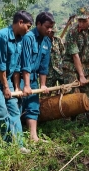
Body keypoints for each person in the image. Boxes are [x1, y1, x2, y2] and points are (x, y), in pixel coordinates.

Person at [0, 11, 33, 153]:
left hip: (7, 78)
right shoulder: (0, 36)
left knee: (14, 111)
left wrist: (15, 88)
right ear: (20, 22)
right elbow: (0, 66)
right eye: (28, 26)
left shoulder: (20, 39)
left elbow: (15, 67)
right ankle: (9, 147)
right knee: (1, 114)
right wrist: (5, 87)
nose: (28, 30)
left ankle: (19, 145)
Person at [19, 11, 55, 142]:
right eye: (47, 27)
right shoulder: (29, 37)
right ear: (38, 24)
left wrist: (43, 84)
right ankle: (17, 139)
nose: (49, 30)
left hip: (33, 78)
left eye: (51, 27)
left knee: (33, 106)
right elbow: (26, 63)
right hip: (22, 78)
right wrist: (27, 86)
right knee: (18, 106)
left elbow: (44, 66)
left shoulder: (47, 41)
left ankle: (33, 137)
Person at [62, 6, 89, 121]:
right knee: (73, 96)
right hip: (71, 67)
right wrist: (81, 76)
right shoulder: (72, 32)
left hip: (85, 67)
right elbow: (75, 55)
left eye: (84, 21)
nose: (82, 23)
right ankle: (72, 123)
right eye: (80, 20)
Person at [43, 24, 65, 96]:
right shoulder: (43, 41)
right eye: (51, 32)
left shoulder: (58, 40)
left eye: (53, 32)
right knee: (45, 94)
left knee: (66, 90)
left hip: (60, 71)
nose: (52, 34)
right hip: (49, 73)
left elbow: (63, 54)